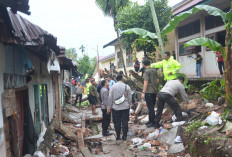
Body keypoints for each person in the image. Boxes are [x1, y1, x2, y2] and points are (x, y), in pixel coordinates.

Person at [108, 74, 132, 141]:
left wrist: (109, 107)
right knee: (125, 121)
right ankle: (124, 136)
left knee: (117, 122)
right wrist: (130, 104)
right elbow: (130, 97)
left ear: (116, 79)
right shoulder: (126, 86)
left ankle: (118, 136)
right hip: (125, 107)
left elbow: (110, 98)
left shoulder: (112, 87)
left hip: (115, 108)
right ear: (122, 79)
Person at [141, 59, 159, 128]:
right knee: (152, 107)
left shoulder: (146, 71)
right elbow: (157, 81)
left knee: (150, 107)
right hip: (154, 91)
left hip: (148, 91)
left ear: (143, 65)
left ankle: (152, 122)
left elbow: (145, 82)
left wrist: (143, 92)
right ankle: (150, 120)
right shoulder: (154, 71)